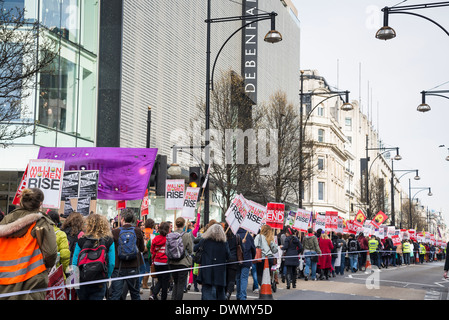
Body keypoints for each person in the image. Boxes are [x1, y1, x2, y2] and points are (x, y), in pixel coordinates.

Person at [0, 188, 57, 300]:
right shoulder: (42, 222)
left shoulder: (5, 221)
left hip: (4, 282)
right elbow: (50, 253)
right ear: (40, 203)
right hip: (31, 281)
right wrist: (47, 266)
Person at [72, 213, 115, 300]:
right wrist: (105, 277)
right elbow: (111, 263)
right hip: (99, 280)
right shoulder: (108, 240)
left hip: (82, 281)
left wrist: (74, 281)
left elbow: (74, 262)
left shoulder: (81, 240)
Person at [109, 209, 145, 300]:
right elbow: (141, 249)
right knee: (135, 294)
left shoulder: (115, 232)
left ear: (123, 219)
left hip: (118, 267)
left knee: (116, 294)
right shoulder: (137, 231)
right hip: (134, 266)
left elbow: (111, 250)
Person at [194, 223, 231, 300]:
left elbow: (195, 249)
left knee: (207, 292)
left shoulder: (204, 241)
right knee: (220, 293)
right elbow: (229, 256)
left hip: (207, 271)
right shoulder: (224, 243)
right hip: (220, 273)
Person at [168, 217, 193, 300]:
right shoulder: (186, 235)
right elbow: (190, 250)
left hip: (172, 262)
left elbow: (166, 249)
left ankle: (173, 298)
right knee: (181, 284)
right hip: (183, 263)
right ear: (184, 224)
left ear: (175, 224)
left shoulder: (170, 235)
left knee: (175, 282)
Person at [149, 221, 170, 300]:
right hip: (166, 262)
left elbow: (152, 251)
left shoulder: (155, 238)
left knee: (160, 280)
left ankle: (153, 294)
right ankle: (156, 295)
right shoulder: (168, 239)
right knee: (164, 282)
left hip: (157, 262)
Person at [47, 211, 71, 277]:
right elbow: (64, 256)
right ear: (57, 221)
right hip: (55, 273)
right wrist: (64, 270)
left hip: (39, 272)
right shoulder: (61, 234)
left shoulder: (39, 231)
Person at [235, 228, 256, 300]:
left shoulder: (235, 235)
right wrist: (251, 258)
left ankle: (238, 295)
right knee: (244, 278)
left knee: (238, 278)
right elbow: (253, 249)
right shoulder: (249, 236)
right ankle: (243, 296)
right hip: (247, 259)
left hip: (237, 260)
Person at [224, 223, 239, 300]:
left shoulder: (223, 236)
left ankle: (225, 293)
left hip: (225, 259)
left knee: (225, 277)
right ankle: (228, 293)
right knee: (231, 279)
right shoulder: (236, 236)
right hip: (234, 259)